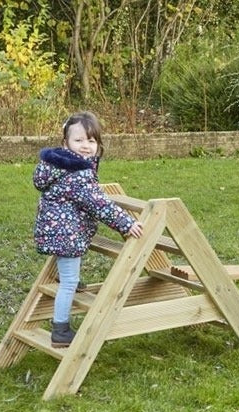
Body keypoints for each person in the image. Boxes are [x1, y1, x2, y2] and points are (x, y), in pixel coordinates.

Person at [33, 111, 144, 347]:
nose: (86, 146)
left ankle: (66, 277)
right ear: (65, 143)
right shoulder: (77, 174)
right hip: (67, 233)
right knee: (69, 284)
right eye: (79, 140)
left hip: (56, 229)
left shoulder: (57, 166)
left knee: (68, 275)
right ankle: (60, 330)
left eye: (91, 140)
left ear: (98, 144)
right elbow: (99, 204)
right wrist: (127, 224)